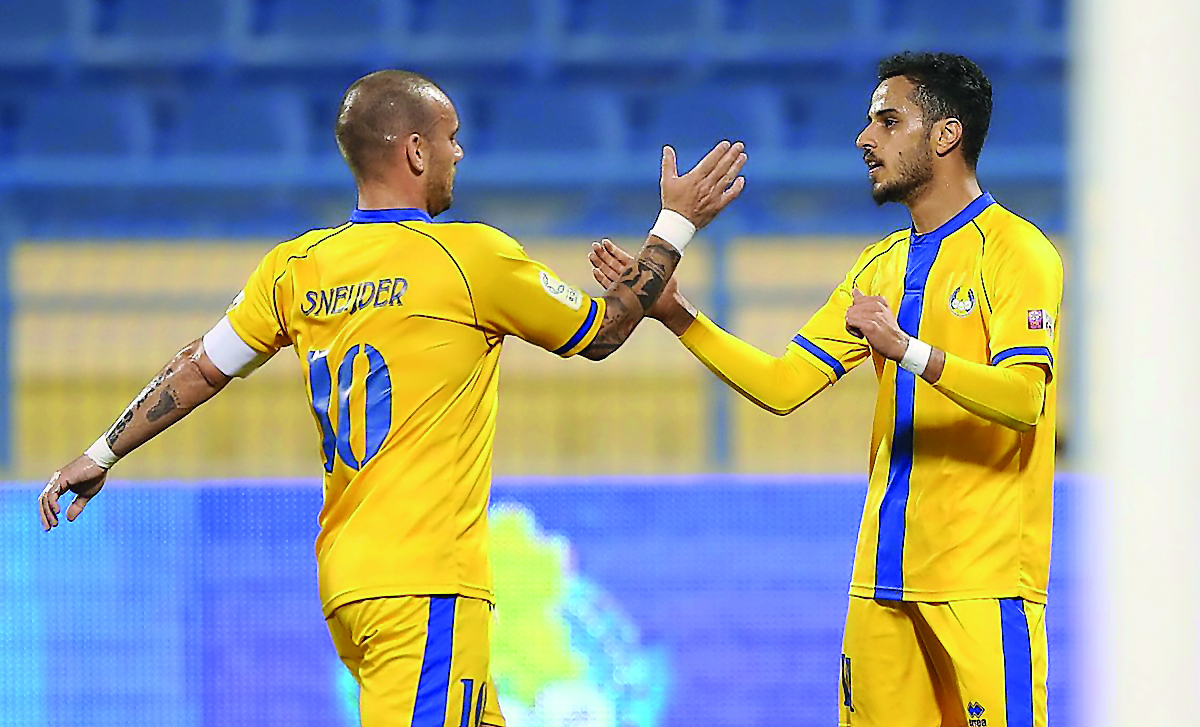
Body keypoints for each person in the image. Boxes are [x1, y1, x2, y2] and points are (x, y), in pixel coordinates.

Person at [36, 69, 747, 727]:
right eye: (449, 137)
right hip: (425, 585)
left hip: (351, 582)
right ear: (413, 151)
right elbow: (603, 330)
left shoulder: (297, 267)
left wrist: (101, 451)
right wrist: (674, 225)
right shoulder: (468, 256)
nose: (459, 153)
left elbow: (198, 366)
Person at [590, 52, 1061, 727]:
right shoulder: (878, 266)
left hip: (982, 584)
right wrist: (676, 314)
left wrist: (908, 350)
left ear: (946, 136)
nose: (865, 139)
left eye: (887, 121)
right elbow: (784, 385)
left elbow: (1024, 400)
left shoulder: (1018, 252)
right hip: (880, 585)